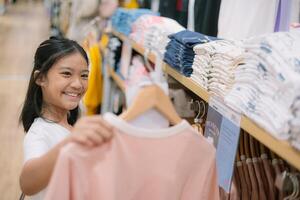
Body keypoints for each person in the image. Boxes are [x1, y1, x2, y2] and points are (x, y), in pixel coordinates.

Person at [19, 37, 114, 200]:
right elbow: (27, 183)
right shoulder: (40, 133)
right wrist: (71, 142)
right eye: (66, 74)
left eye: (84, 75)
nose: (78, 84)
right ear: (41, 78)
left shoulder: (70, 127)